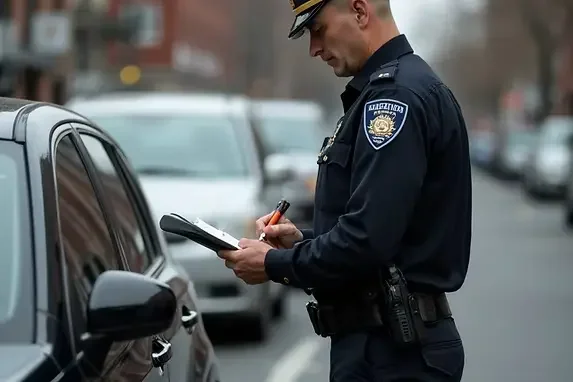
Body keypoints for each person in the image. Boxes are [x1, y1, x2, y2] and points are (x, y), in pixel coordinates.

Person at [218, 0, 472, 380]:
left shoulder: (393, 100)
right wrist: (301, 242)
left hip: (394, 351)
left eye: (318, 29)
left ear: (359, 10)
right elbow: (388, 233)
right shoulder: (394, 89)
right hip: (389, 346)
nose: (314, 48)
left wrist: (273, 264)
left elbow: (367, 239)